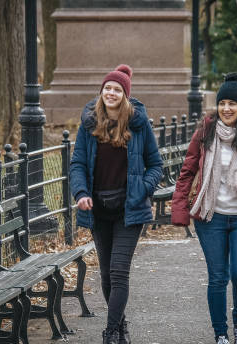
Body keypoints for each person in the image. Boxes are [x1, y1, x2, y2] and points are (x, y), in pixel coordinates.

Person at [171, 73, 237, 344]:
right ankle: (220, 334)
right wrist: (180, 210)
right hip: (211, 217)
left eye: (232, 103)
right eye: (222, 103)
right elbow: (186, 172)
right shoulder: (205, 132)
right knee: (217, 278)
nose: (226, 108)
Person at [70, 64, 162, 344]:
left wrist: (141, 190)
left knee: (119, 272)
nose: (111, 93)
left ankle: (110, 333)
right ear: (102, 92)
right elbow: (77, 164)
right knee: (107, 277)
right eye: (107, 88)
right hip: (98, 210)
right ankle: (120, 326)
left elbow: (155, 165)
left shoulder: (138, 124)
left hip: (128, 210)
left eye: (117, 89)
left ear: (125, 95)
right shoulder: (89, 124)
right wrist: (80, 193)